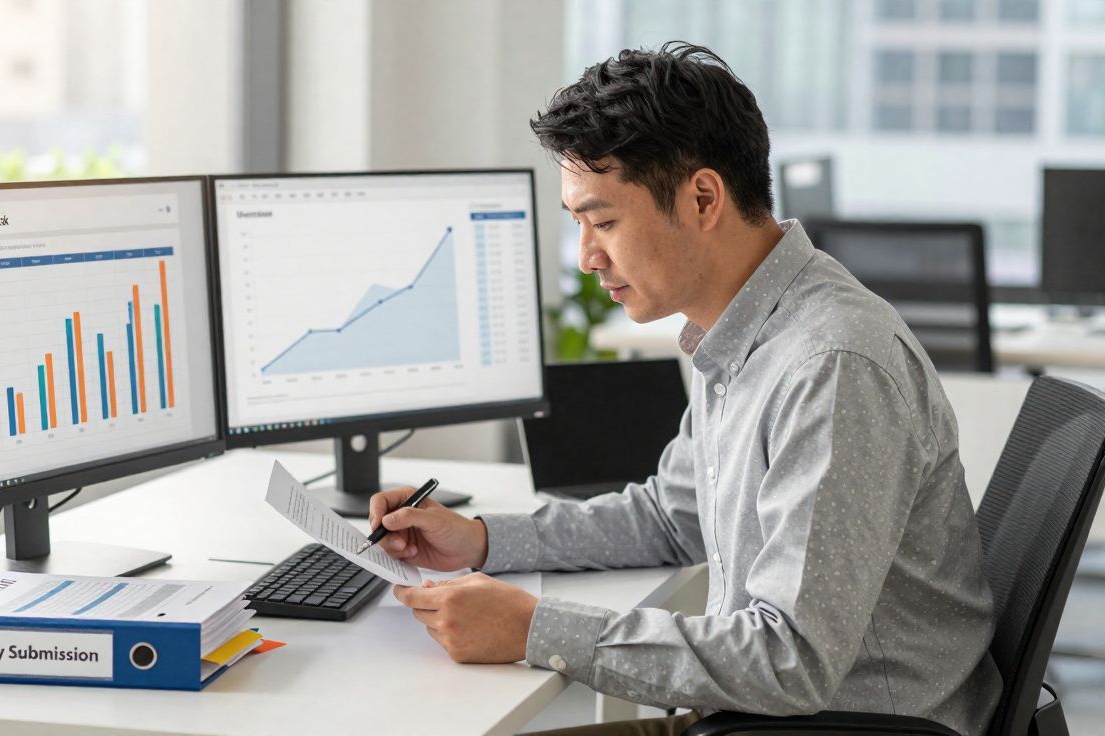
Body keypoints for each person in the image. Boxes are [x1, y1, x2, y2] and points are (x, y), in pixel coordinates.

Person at [371, 43, 1001, 736]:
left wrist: (533, 629)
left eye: (604, 221)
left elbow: (793, 659)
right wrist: (482, 541)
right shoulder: (738, 331)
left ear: (703, 198)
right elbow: (673, 517)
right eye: (577, 224)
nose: (587, 257)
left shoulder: (832, 364)